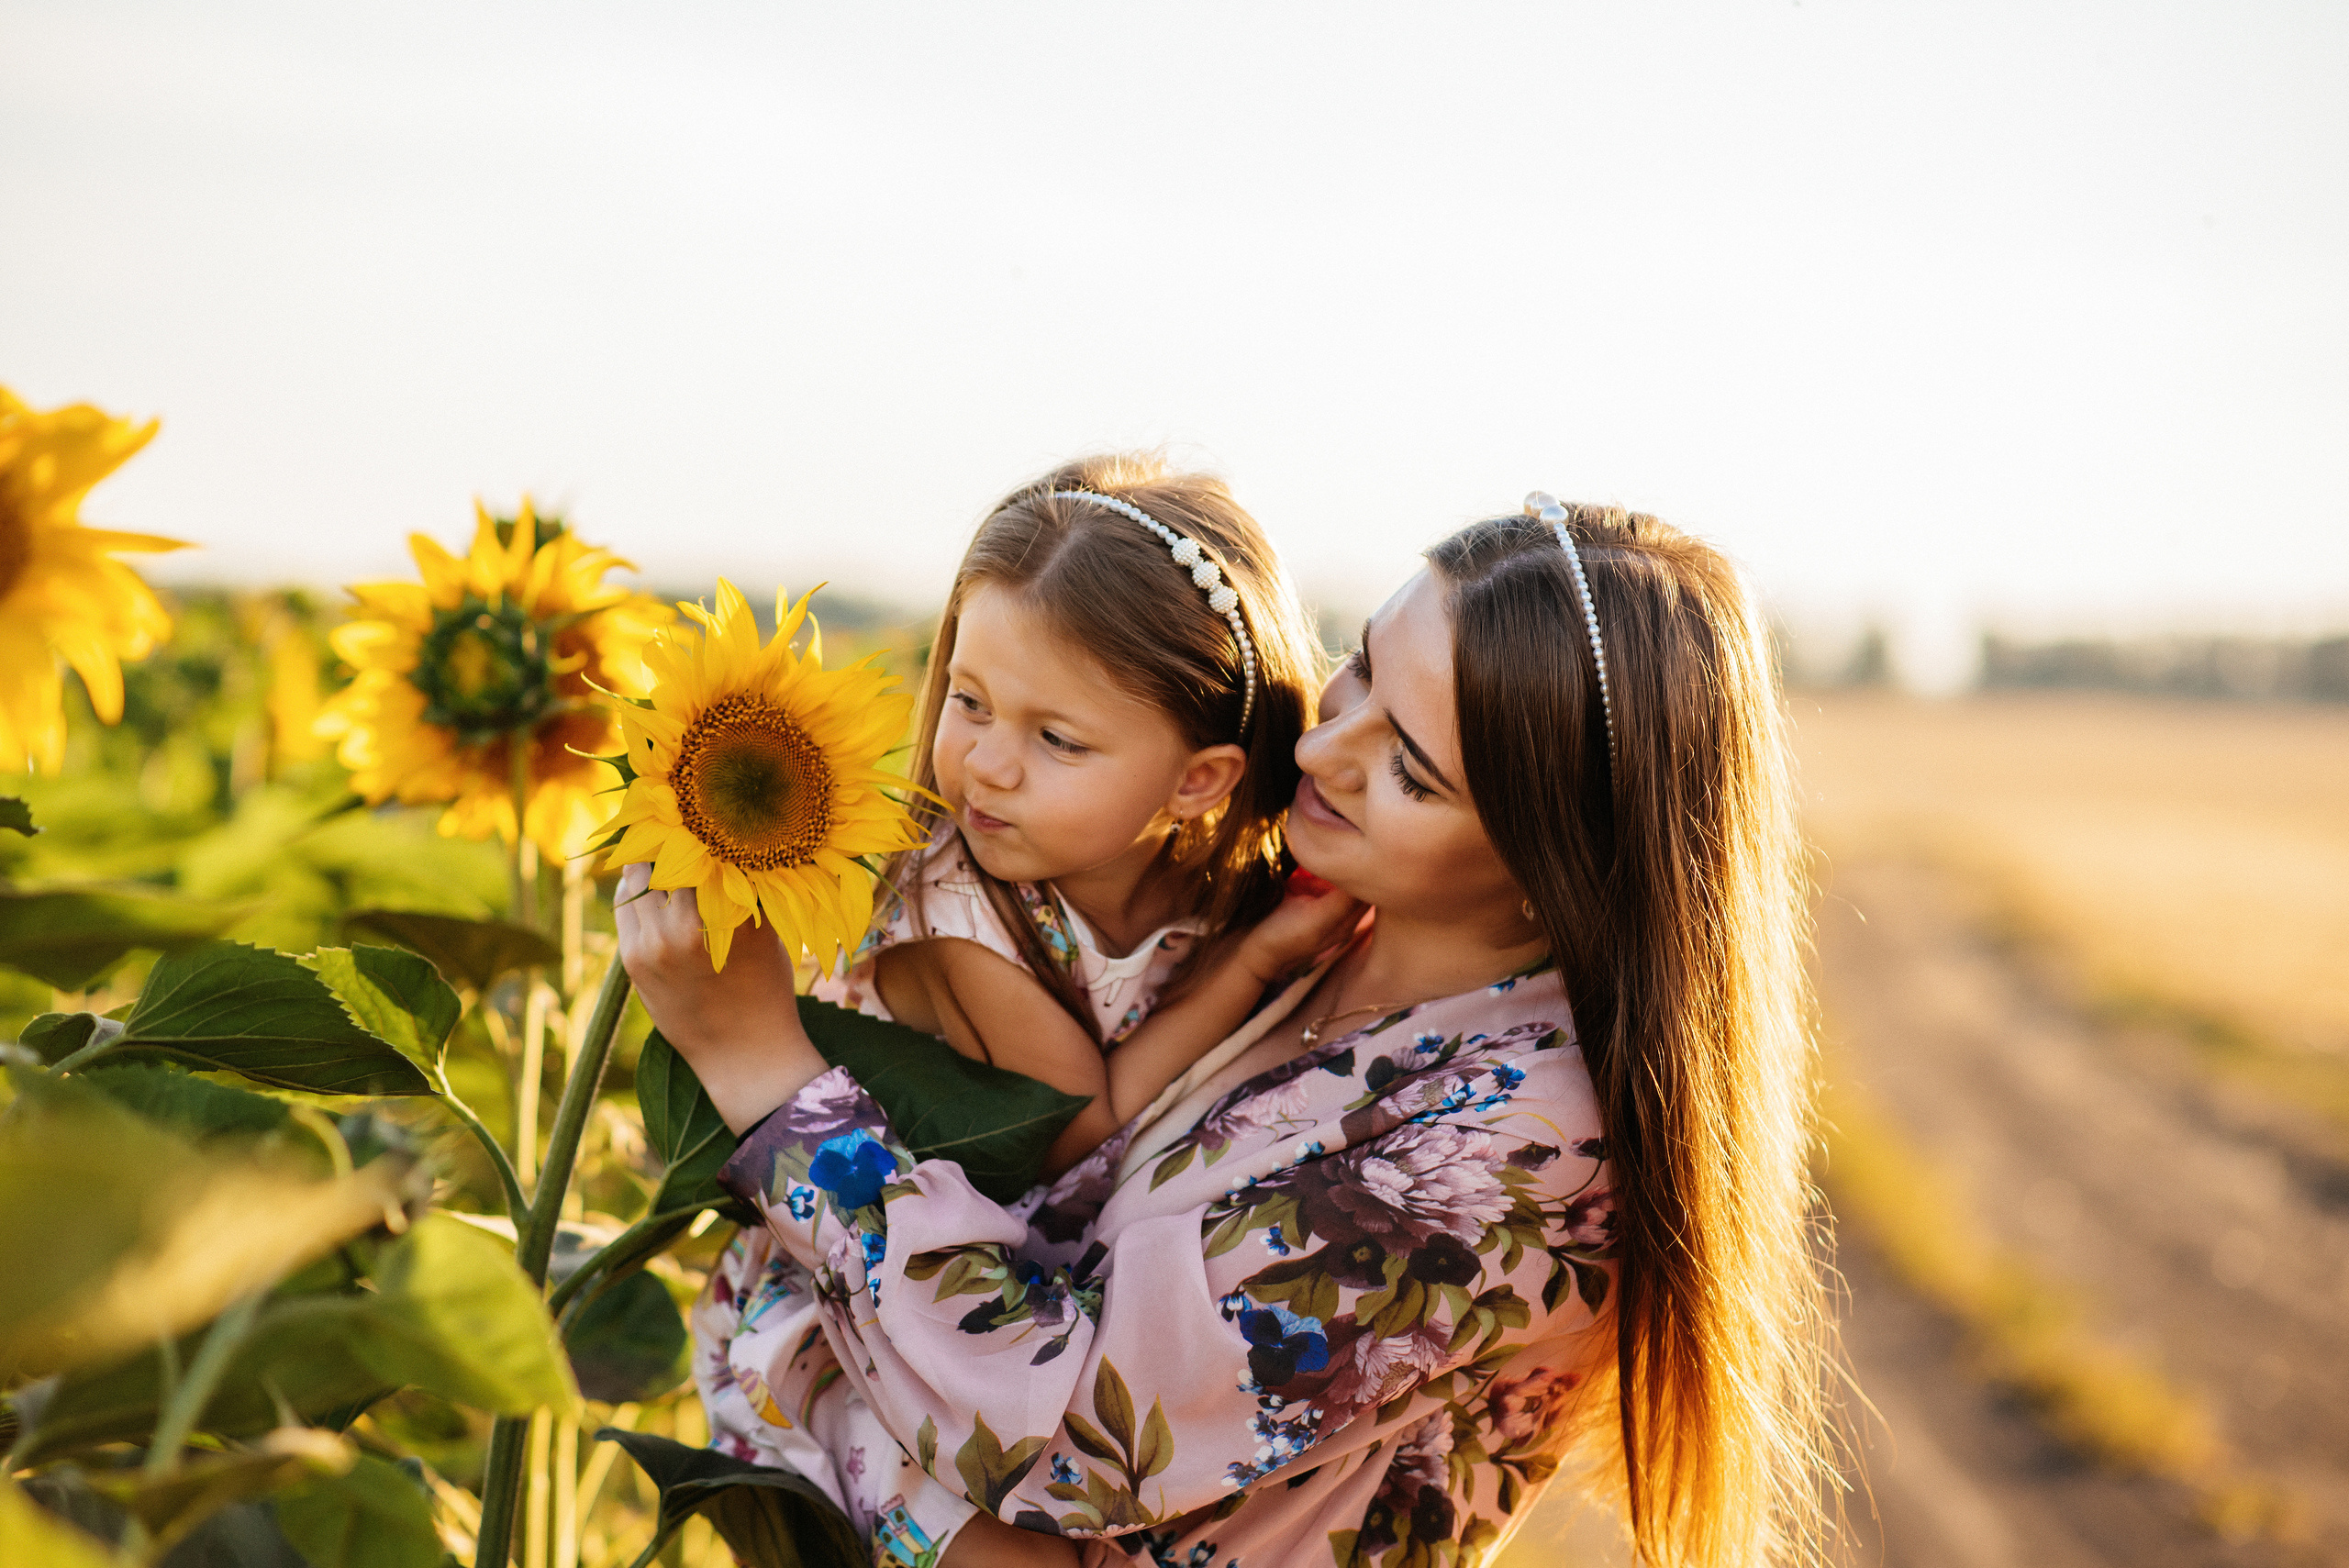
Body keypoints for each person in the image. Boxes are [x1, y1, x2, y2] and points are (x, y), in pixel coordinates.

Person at [620, 495, 1831, 1568]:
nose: (1319, 746)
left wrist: (763, 1073)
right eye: (1358, 672)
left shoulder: (1522, 1153)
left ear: (1555, 869)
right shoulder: (1319, 937)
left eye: (1409, 770)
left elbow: (1075, 1434)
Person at [678, 455, 1361, 1558]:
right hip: (851, 1323)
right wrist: (1253, 968)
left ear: (1198, 781)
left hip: (1011, 1332)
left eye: (1056, 738)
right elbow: (1079, 1124)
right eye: (969, 700)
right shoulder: (947, 895)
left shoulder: (1211, 885)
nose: (985, 764)